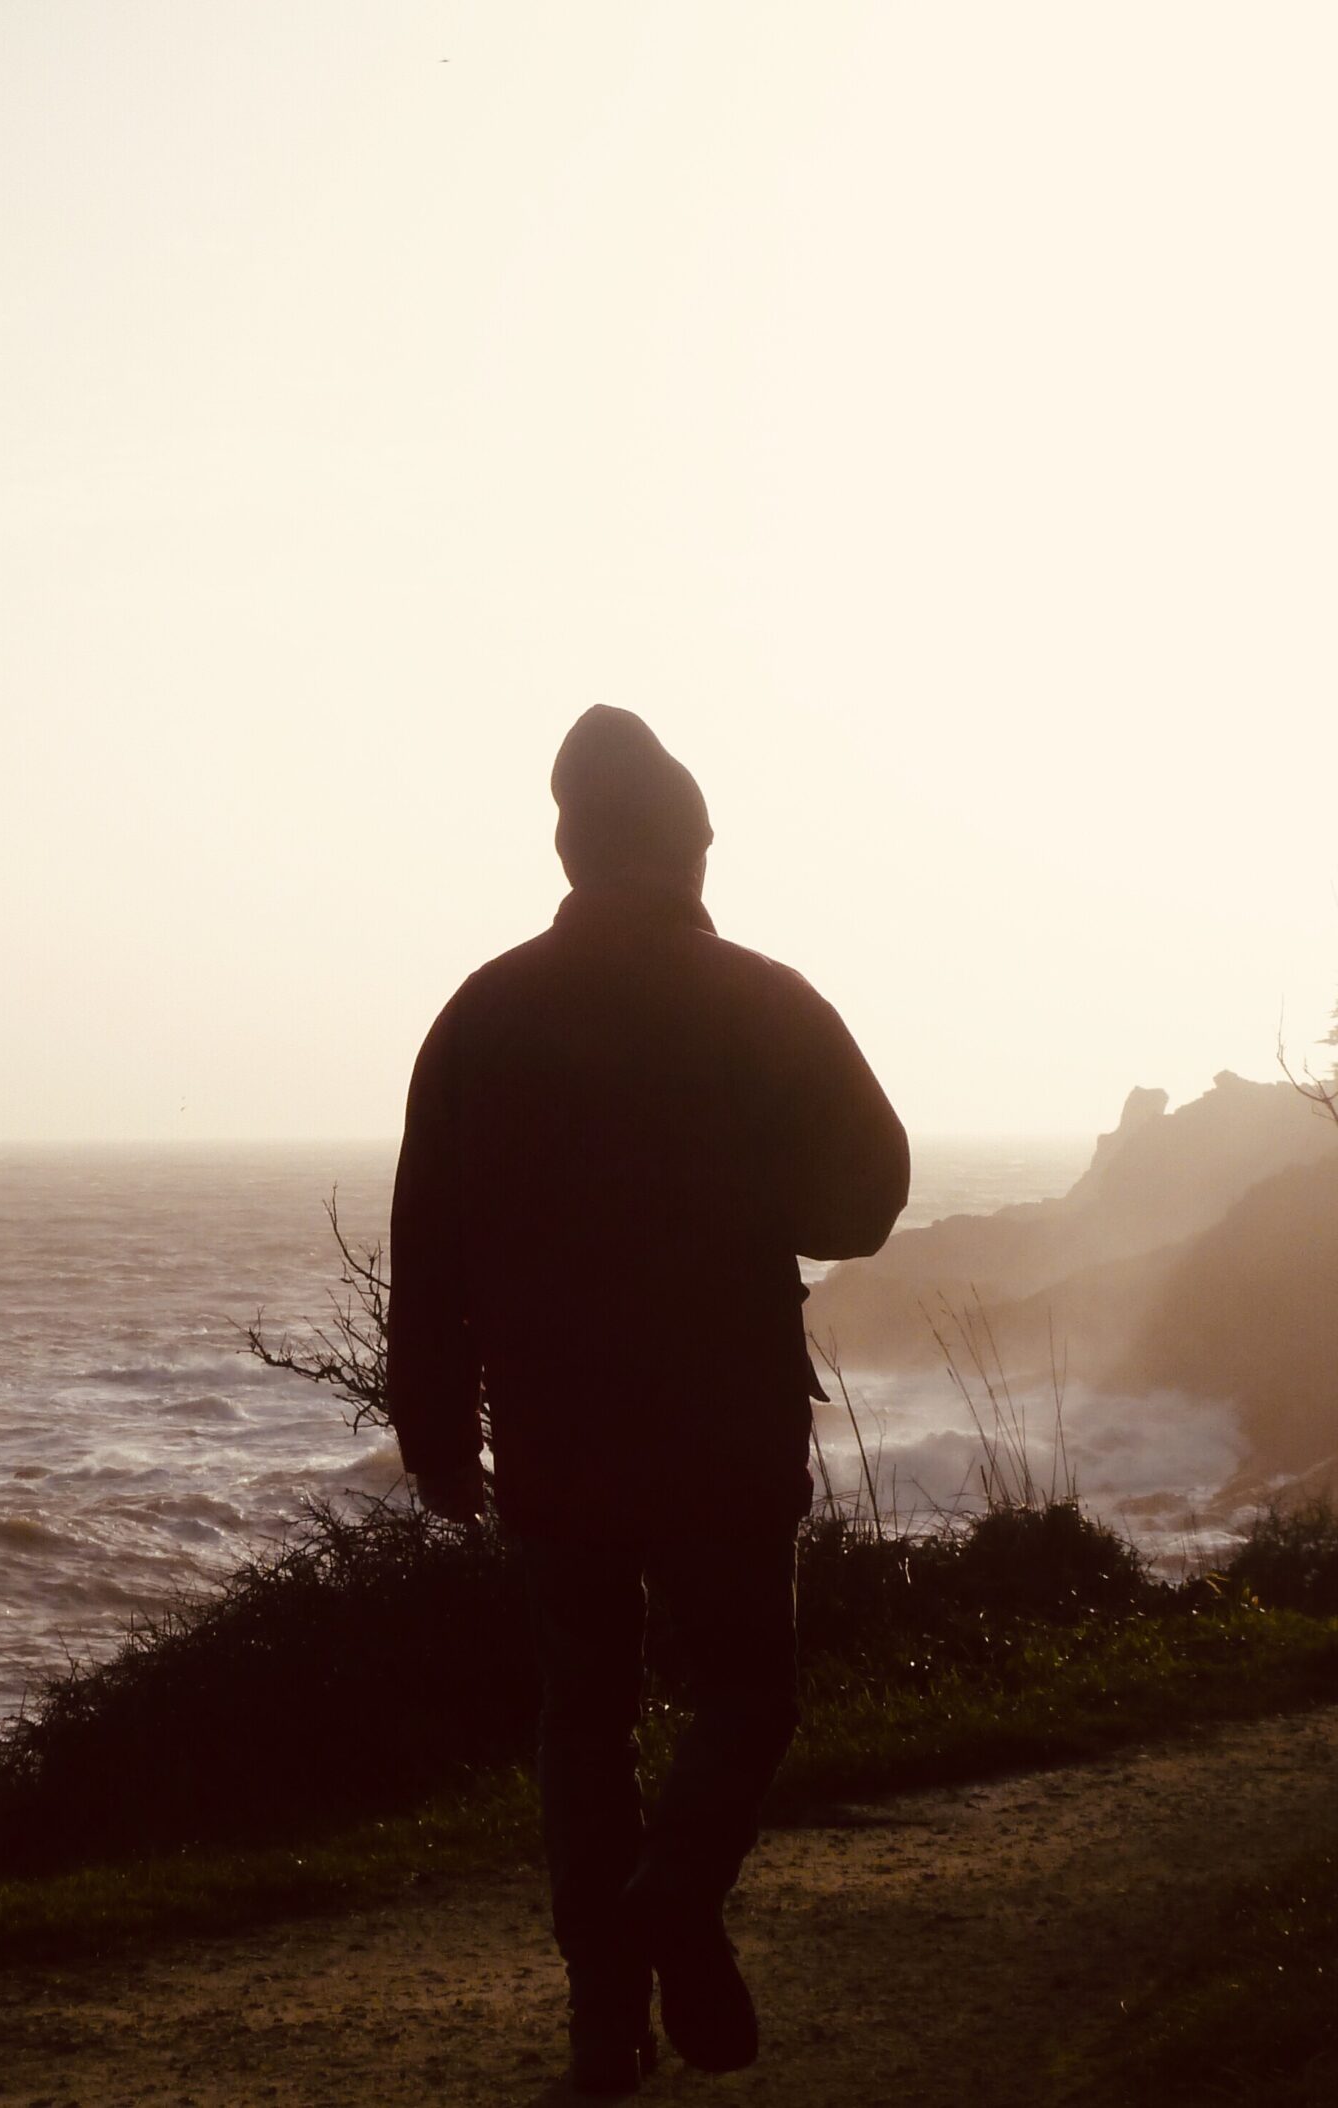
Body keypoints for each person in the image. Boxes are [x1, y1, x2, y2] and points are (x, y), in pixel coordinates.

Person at [385, 707, 908, 2096]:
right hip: (728, 1420)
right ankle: (674, 1898)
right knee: (746, 1693)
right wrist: (752, 1205)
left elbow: (425, 1244)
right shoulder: (762, 997)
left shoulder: (481, 1013)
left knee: (586, 1717)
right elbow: (865, 1200)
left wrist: (435, 1428)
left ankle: (605, 2020)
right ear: (685, 845)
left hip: (555, 1432)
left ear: (571, 846)